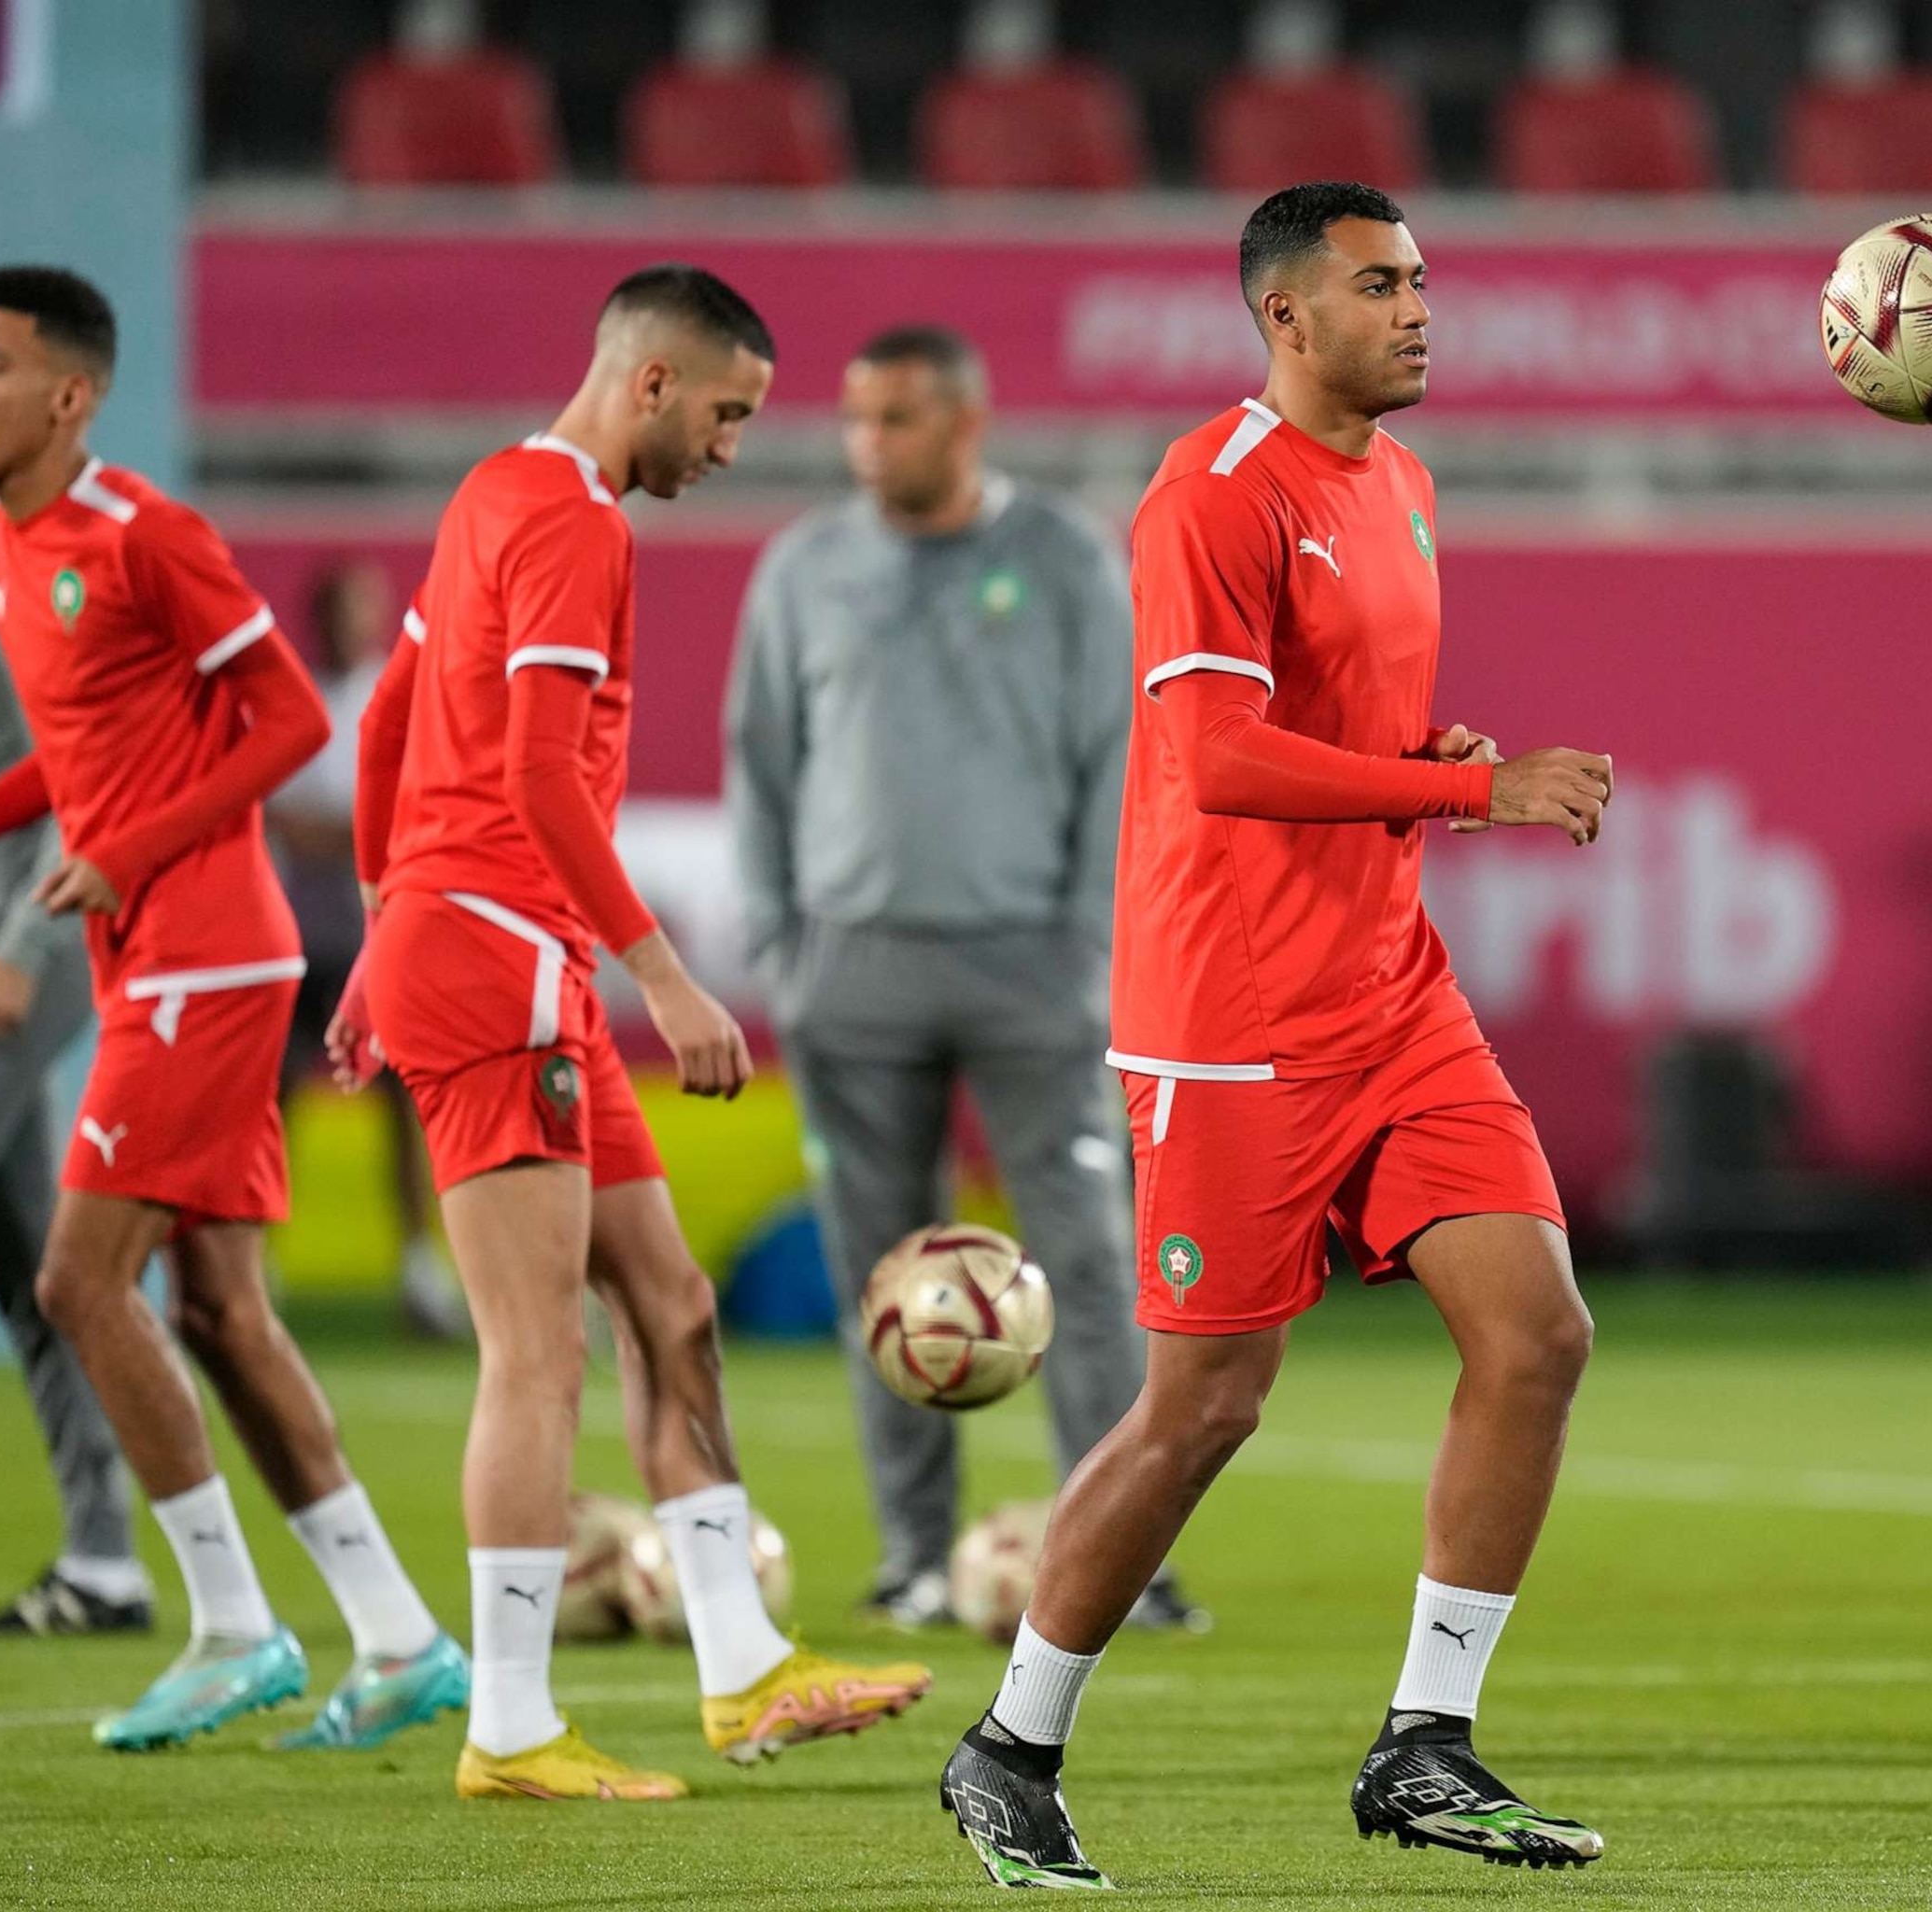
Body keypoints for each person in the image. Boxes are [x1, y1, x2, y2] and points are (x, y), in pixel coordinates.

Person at [937, 182, 1618, 1889]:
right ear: (1283, 317)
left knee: (1534, 1335)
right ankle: (1009, 1742)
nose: (1417, 310)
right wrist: (1471, 784)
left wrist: (1418, 747)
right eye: (1378, 285)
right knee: (1206, 1404)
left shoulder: (1400, 483)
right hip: (1229, 1023)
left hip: (1392, 996)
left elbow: (1329, 727)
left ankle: (1425, 1744)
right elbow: (1219, 760)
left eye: (1422, 280)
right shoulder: (1210, 494)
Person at [337, 263, 933, 1804]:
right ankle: (512, 1723)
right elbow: (536, 777)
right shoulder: (574, 520)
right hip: (499, 963)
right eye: (729, 412)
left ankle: (739, 1668)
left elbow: (396, 716)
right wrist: (661, 971)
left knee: (670, 1305)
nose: (733, 446)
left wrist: (377, 927)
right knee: (535, 1356)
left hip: (468, 947)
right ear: (653, 383)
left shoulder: (497, 491)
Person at [0, 265, 466, 1750]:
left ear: (71, 396)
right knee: (222, 1314)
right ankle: (400, 1636)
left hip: (211, 953)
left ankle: (232, 1626)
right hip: (141, 950)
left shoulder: (145, 534)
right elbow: (76, 758)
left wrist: (131, 851)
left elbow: (292, 718)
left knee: (74, 1284)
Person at [726, 324, 1195, 1633]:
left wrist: (1092, 944)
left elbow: (1126, 755)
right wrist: (781, 942)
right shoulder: (806, 568)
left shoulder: (1062, 562)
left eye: (898, 420)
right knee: (885, 1280)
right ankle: (915, 1562)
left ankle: (1125, 1566)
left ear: (967, 424)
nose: (868, 446)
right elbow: (760, 757)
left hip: (1033, 969)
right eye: (858, 421)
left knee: (1090, 1267)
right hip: (852, 968)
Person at [0, 389, 146, 1638]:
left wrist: (19, 950)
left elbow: (81, 771)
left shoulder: (1, 577)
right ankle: (106, 1559)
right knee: (45, 1272)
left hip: (5, 956)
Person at [269, 559, 454, 1336]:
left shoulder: (401, 695)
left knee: (405, 1110)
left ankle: (420, 1271)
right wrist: (368, 833)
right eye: (353, 606)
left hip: (385, 944)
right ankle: (258, 1261)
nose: (366, 620)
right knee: (276, 1105)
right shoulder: (297, 700)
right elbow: (293, 827)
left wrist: (357, 833)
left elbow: (419, 815)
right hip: (307, 942)